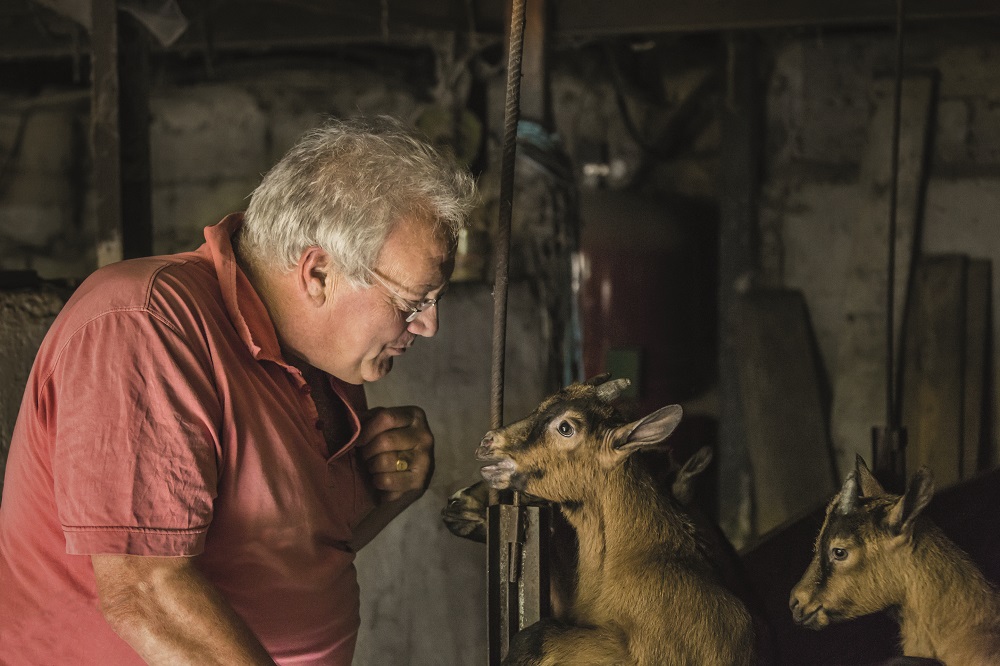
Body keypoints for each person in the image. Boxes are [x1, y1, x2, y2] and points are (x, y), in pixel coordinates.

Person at [0, 115, 478, 665]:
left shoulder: (320, 361)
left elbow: (284, 560)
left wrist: (390, 493)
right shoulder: (146, 324)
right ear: (318, 273)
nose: (428, 326)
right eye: (412, 303)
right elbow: (145, 592)